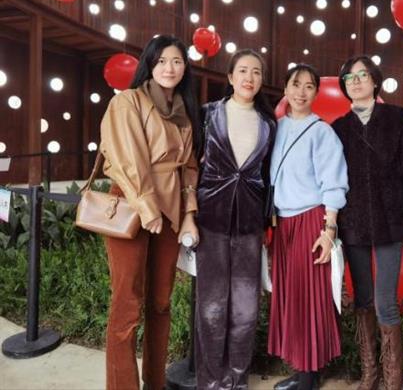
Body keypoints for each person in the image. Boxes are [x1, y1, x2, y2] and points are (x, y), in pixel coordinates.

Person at [99, 35, 201, 390]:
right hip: (131, 206)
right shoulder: (128, 101)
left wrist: (188, 213)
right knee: (126, 305)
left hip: (170, 211)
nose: (169, 68)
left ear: (185, 67)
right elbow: (127, 158)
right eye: (161, 61)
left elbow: (189, 167)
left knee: (160, 302)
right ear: (149, 64)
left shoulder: (184, 112)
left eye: (176, 61)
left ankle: (155, 382)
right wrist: (147, 207)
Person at [331, 55, 403, 390]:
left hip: (391, 219)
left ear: (375, 81)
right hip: (353, 222)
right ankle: (370, 374)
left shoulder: (397, 118)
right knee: (363, 299)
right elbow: (332, 177)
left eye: (363, 75)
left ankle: (393, 379)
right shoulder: (338, 128)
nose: (356, 81)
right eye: (349, 77)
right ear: (344, 86)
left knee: (385, 300)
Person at [194, 49, 277, 390]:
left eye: (256, 72)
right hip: (210, 218)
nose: (249, 77)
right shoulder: (207, 114)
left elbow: (269, 175)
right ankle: (211, 381)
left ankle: (237, 379)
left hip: (250, 222)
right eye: (242, 70)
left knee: (245, 307)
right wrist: (188, 214)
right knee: (211, 306)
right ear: (230, 77)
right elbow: (189, 166)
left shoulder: (269, 124)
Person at [268, 64, 348, 390]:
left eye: (309, 86)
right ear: (285, 89)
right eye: (295, 84)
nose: (301, 92)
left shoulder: (322, 132)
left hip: (311, 220)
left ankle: (310, 374)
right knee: (289, 296)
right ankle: (300, 367)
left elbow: (334, 183)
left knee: (309, 298)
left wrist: (328, 231)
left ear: (316, 92)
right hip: (281, 222)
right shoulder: (274, 128)